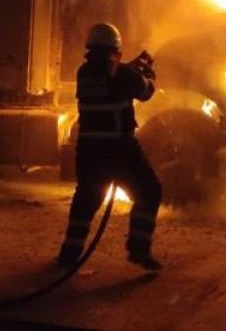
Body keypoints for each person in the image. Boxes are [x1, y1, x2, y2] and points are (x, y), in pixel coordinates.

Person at [57, 22, 164, 271]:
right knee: (150, 191)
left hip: (89, 150)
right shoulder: (124, 76)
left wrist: (131, 67)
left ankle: (69, 254)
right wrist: (147, 74)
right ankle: (139, 248)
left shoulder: (84, 73)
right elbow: (146, 91)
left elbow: (112, 79)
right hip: (120, 149)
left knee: (86, 201)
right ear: (116, 50)